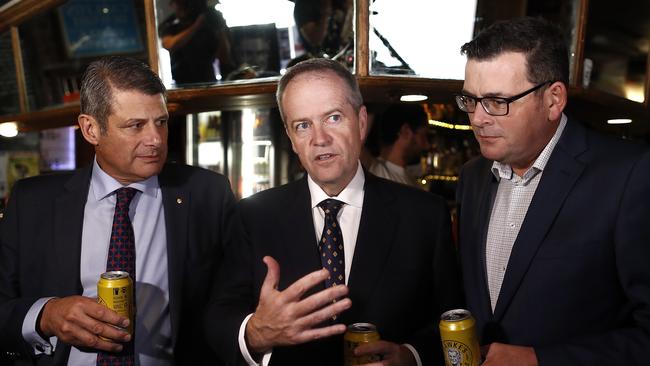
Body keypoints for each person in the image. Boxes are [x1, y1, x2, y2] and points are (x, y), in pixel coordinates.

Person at [205, 58, 463, 365]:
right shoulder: (253, 216)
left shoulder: (424, 216)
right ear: (291, 139)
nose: (319, 139)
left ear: (362, 122)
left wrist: (411, 355)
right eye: (303, 125)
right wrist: (257, 333)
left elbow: (451, 319)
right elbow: (218, 318)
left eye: (333, 118)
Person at [0, 56, 235, 365]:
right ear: (91, 129)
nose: (154, 139)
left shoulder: (208, 193)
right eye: (135, 125)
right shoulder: (32, 203)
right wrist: (45, 315)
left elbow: (231, 300)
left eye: (161, 122)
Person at [455, 17, 650, 366]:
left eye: (497, 102)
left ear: (553, 99)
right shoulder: (472, 177)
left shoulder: (629, 176)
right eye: (470, 100)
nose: (478, 119)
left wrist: (539, 360)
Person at [159, 0, 235, 84]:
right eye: (178, 3)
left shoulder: (209, 20)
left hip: (208, 79)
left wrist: (220, 29)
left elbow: (225, 57)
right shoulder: (170, 24)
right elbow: (169, 44)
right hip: (181, 82)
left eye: (184, 3)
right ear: (172, 4)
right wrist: (196, 25)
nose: (182, 6)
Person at [369, 104, 430, 187]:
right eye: (423, 135)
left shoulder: (411, 181)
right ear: (406, 131)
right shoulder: (374, 170)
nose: (426, 145)